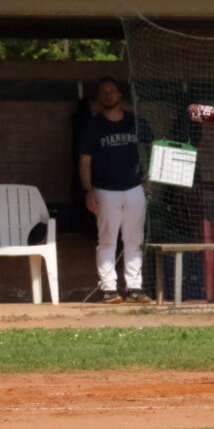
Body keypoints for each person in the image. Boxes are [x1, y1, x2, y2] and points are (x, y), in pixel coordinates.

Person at [77, 77, 153, 305]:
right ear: (99, 97)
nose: (108, 95)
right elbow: (85, 161)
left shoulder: (136, 122)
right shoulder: (93, 126)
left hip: (134, 187)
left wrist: (149, 174)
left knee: (134, 239)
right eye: (104, 92)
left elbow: (151, 149)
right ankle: (109, 289)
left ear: (120, 95)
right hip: (105, 190)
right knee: (107, 240)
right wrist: (88, 190)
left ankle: (134, 287)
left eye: (112, 91)